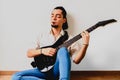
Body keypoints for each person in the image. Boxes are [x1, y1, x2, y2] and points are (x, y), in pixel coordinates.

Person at [12, 6, 90, 80]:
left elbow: (76, 60)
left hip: (57, 71)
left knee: (62, 50)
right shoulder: (41, 35)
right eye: (52, 15)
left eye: (58, 16)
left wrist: (85, 45)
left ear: (64, 20)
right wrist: (42, 51)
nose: (54, 18)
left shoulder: (70, 38)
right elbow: (29, 53)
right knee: (16, 76)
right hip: (42, 71)